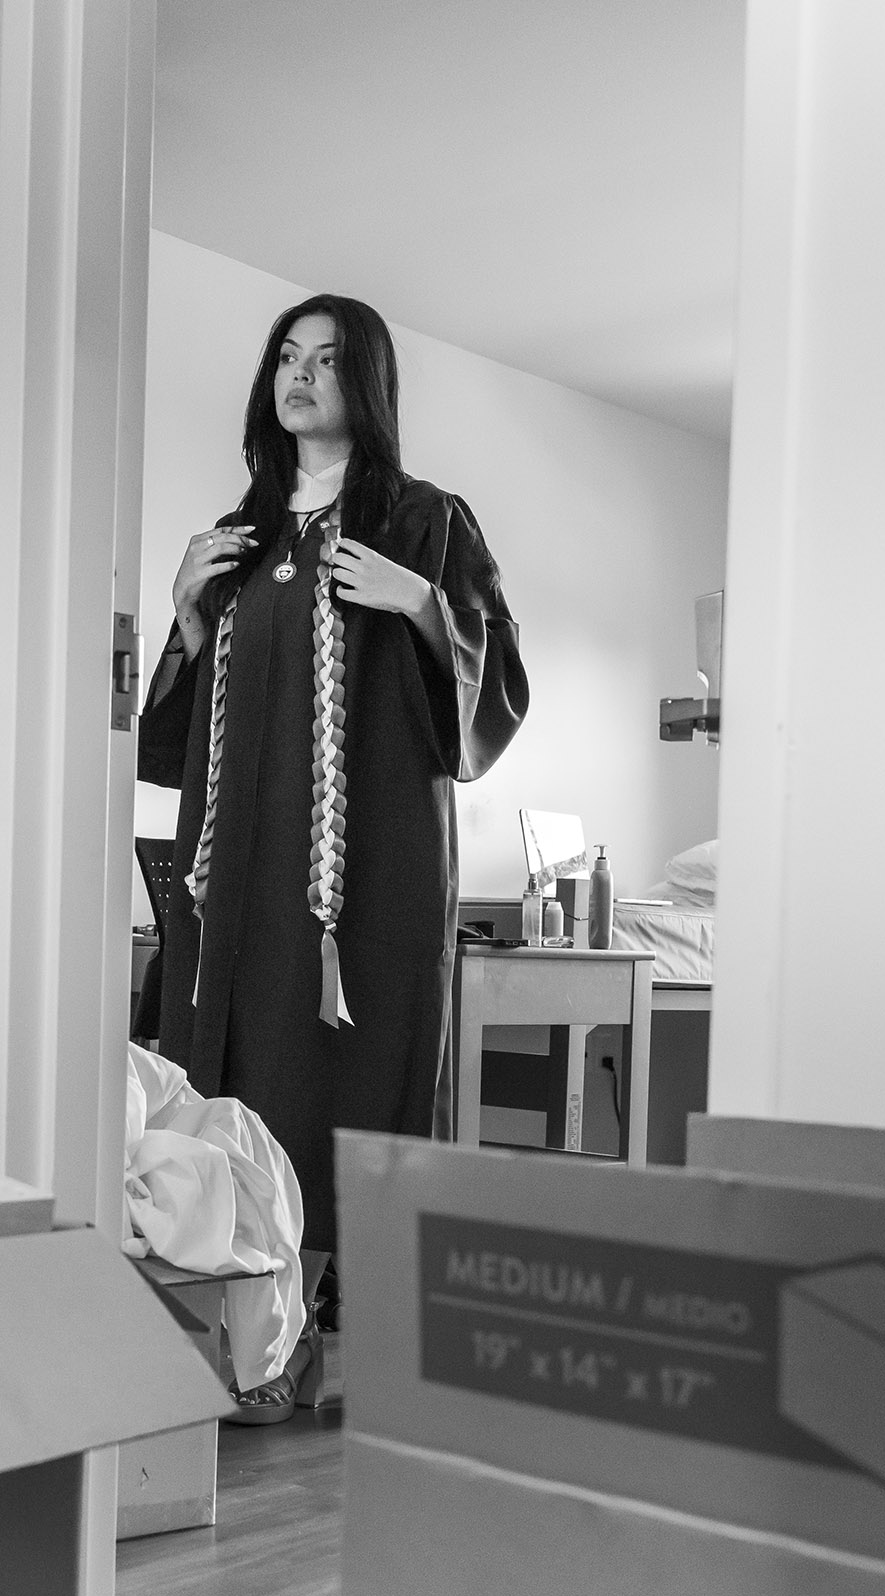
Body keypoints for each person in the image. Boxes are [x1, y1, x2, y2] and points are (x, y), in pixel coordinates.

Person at [138, 295, 529, 1414]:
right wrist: (189, 617)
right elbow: (174, 739)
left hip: (363, 890)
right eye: (285, 359)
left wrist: (420, 605)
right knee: (237, 1080)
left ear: (369, 382)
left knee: (342, 1081)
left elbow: (493, 697)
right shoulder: (239, 534)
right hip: (238, 882)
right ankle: (247, 1336)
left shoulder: (423, 522)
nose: (300, 377)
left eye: (326, 360)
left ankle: (340, 1345)